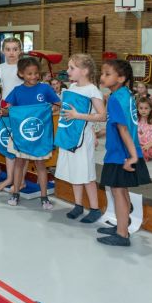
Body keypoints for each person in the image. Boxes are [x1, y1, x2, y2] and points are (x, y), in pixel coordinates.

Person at [97, 59, 151, 247]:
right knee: (120, 190)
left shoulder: (115, 99)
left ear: (121, 78)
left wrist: (132, 156)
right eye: (102, 73)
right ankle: (122, 225)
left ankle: (122, 235)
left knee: (118, 191)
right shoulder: (125, 94)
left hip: (121, 153)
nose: (102, 77)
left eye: (107, 74)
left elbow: (123, 129)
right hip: (123, 150)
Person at [3, 56, 60, 209]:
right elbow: (9, 109)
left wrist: (53, 109)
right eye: (29, 74)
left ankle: (44, 197)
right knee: (19, 164)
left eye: (36, 73)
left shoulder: (45, 89)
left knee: (41, 165)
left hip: (39, 136)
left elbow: (58, 104)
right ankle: (15, 193)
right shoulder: (17, 91)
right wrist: (3, 112)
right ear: (21, 74)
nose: (34, 76)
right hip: (21, 136)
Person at [55, 54, 106, 223]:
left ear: (84, 71)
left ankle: (95, 208)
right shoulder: (71, 87)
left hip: (83, 138)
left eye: (72, 68)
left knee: (86, 173)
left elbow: (102, 116)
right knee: (74, 171)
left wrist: (78, 115)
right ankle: (78, 205)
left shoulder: (92, 90)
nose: (68, 71)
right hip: (69, 136)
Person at [0, 37, 24, 191]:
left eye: (15, 49)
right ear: (3, 50)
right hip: (5, 109)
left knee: (20, 146)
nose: (11, 52)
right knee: (5, 142)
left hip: (20, 109)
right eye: (8, 49)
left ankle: (20, 180)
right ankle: (10, 177)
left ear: (20, 51)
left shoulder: (24, 67)